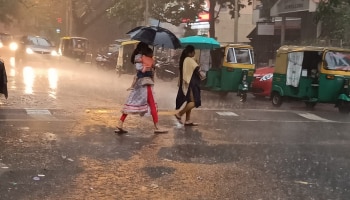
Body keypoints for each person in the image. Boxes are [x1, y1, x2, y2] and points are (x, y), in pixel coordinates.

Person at [115, 42, 167, 134]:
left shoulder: (137, 58)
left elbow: (139, 71)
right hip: (146, 84)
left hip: (138, 83)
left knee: (131, 102)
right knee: (152, 104)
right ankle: (157, 127)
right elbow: (145, 71)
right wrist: (151, 65)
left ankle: (120, 123)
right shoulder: (145, 58)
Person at [174, 45, 202, 126]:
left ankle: (187, 120)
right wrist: (198, 65)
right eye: (193, 52)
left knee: (190, 101)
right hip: (191, 84)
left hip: (188, 83)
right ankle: (179, 114)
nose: (194, 53)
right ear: (190, 52)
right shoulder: (189, 59)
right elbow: (197, 68)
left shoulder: (185, 59)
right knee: (194, 102)